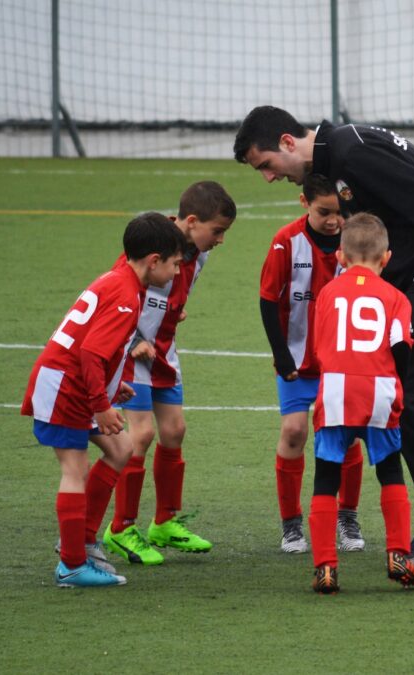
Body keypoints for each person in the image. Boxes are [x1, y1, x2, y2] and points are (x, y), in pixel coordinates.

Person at [234, 106, 414, 568]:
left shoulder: (351, 155)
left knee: (409, 394)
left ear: (286, 142)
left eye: (266, 166)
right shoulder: (340, 155)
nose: (269, 178)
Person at [21, 212, 186, 587]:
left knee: (120, 448)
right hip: (66, 387)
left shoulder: (122, 282)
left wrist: (113, 389)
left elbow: (96, 348)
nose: (178, 273)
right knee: (74, 471)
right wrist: (102, 404)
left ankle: (84, 539)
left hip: (76, 384)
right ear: (154, 261)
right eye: (176, 264)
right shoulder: (127, 295)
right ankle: (72, 565)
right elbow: (90, 354)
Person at [102, 182, 236, 566]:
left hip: (163, 350)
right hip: (133, 350)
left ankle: (164, 522)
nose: (221, 240)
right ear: (191, 222)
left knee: (174, 431)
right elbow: (117, 291)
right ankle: (121, 528)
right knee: (140, 434)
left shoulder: (198, 255)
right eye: (218, 231)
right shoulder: (152, 240)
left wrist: (173, 312)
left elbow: (171, 295)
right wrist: (131, 342)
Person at [308, 213, 414, 594]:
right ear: (386, 258)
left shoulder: (328, 293)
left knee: (327, 477)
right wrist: (399, 386)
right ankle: (398, 554)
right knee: (390, 471)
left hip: (337, 389)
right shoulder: (395, 297)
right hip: (378, 391)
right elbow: (400, 347)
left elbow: (320, 346)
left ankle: (325, 566)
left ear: (340, 257)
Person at [259, 174, 366, 555]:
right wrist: (281, 352)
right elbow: (268, 300)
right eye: (324, 212)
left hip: (341, 361)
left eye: (339, 212)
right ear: (304, 203)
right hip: (296, 361)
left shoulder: (353, 244)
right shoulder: (285, 241)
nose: (334, 220)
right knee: (293, 432)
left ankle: (347, 516)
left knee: (347, 435)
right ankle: (291, 525)